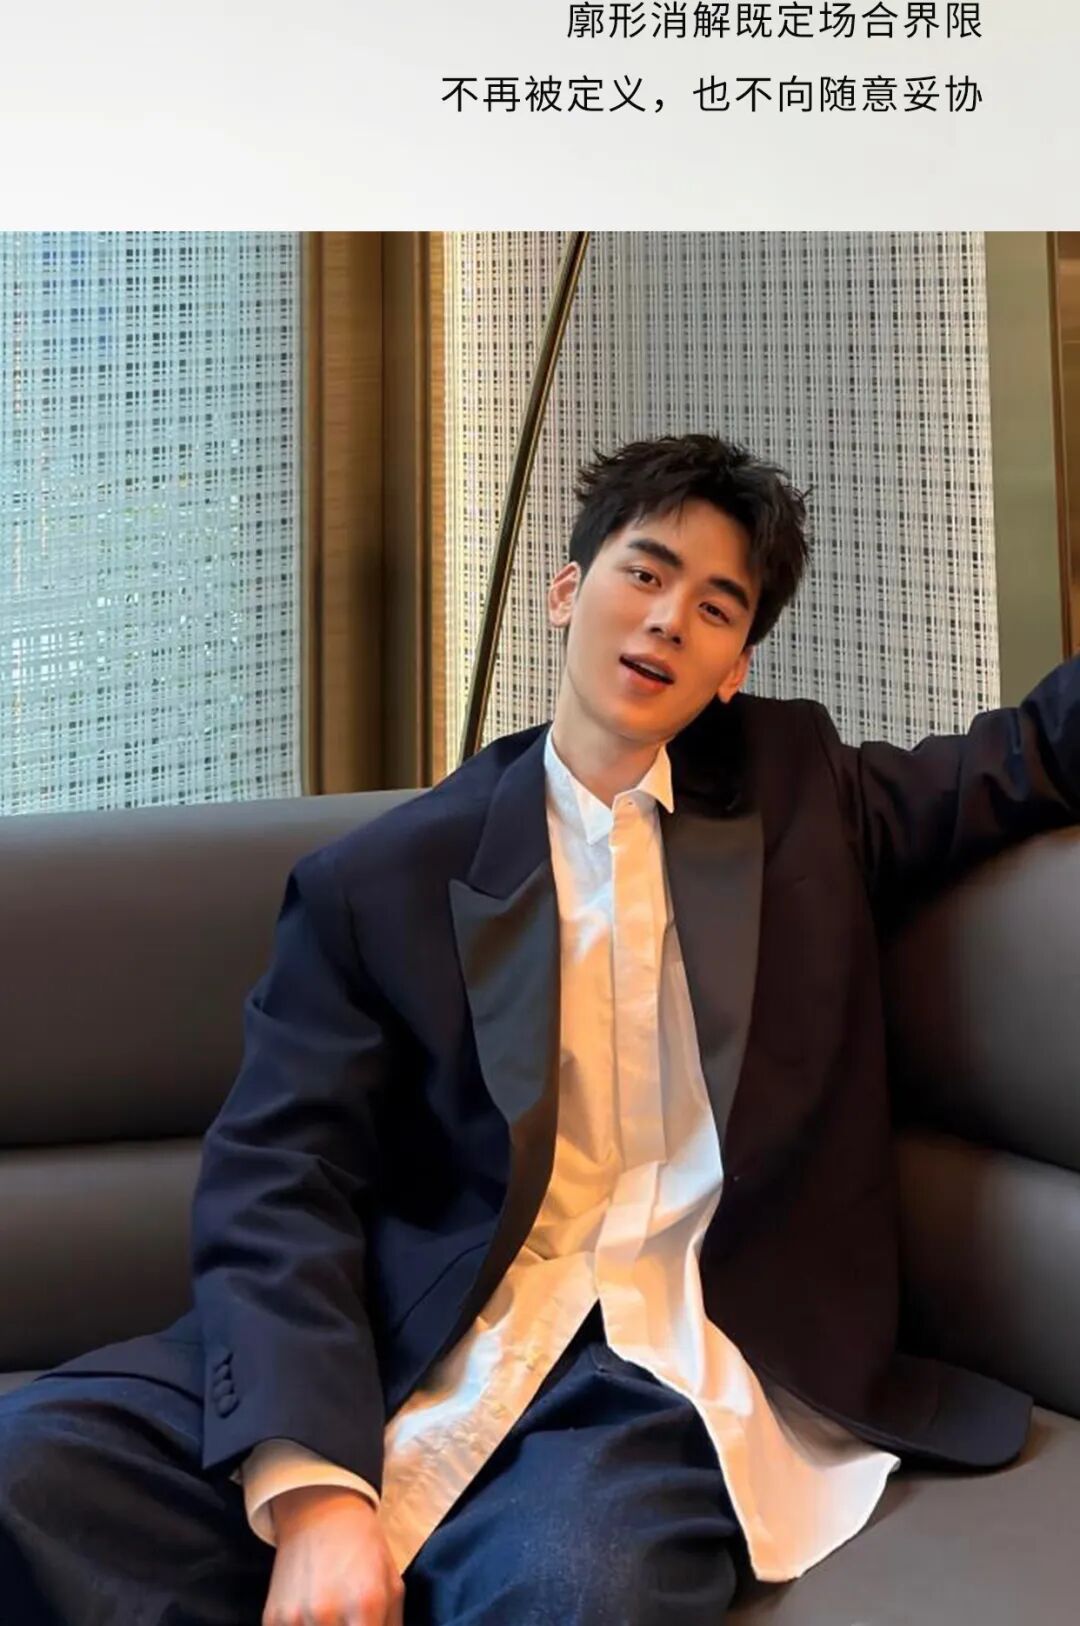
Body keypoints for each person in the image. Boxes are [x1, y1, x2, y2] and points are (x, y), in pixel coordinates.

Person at [1, 433, 1078, 1626]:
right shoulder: (384, 880)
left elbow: (1031, 756)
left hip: (653, 1365)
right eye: (645, 572)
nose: (668, 619)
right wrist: (315, 1493)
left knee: (577, 1588)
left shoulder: (802, 793)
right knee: (30, 1466)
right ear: (568, 591)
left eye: (715, 607)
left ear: (734, 667)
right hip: (412, 1343)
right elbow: (280, 1175)